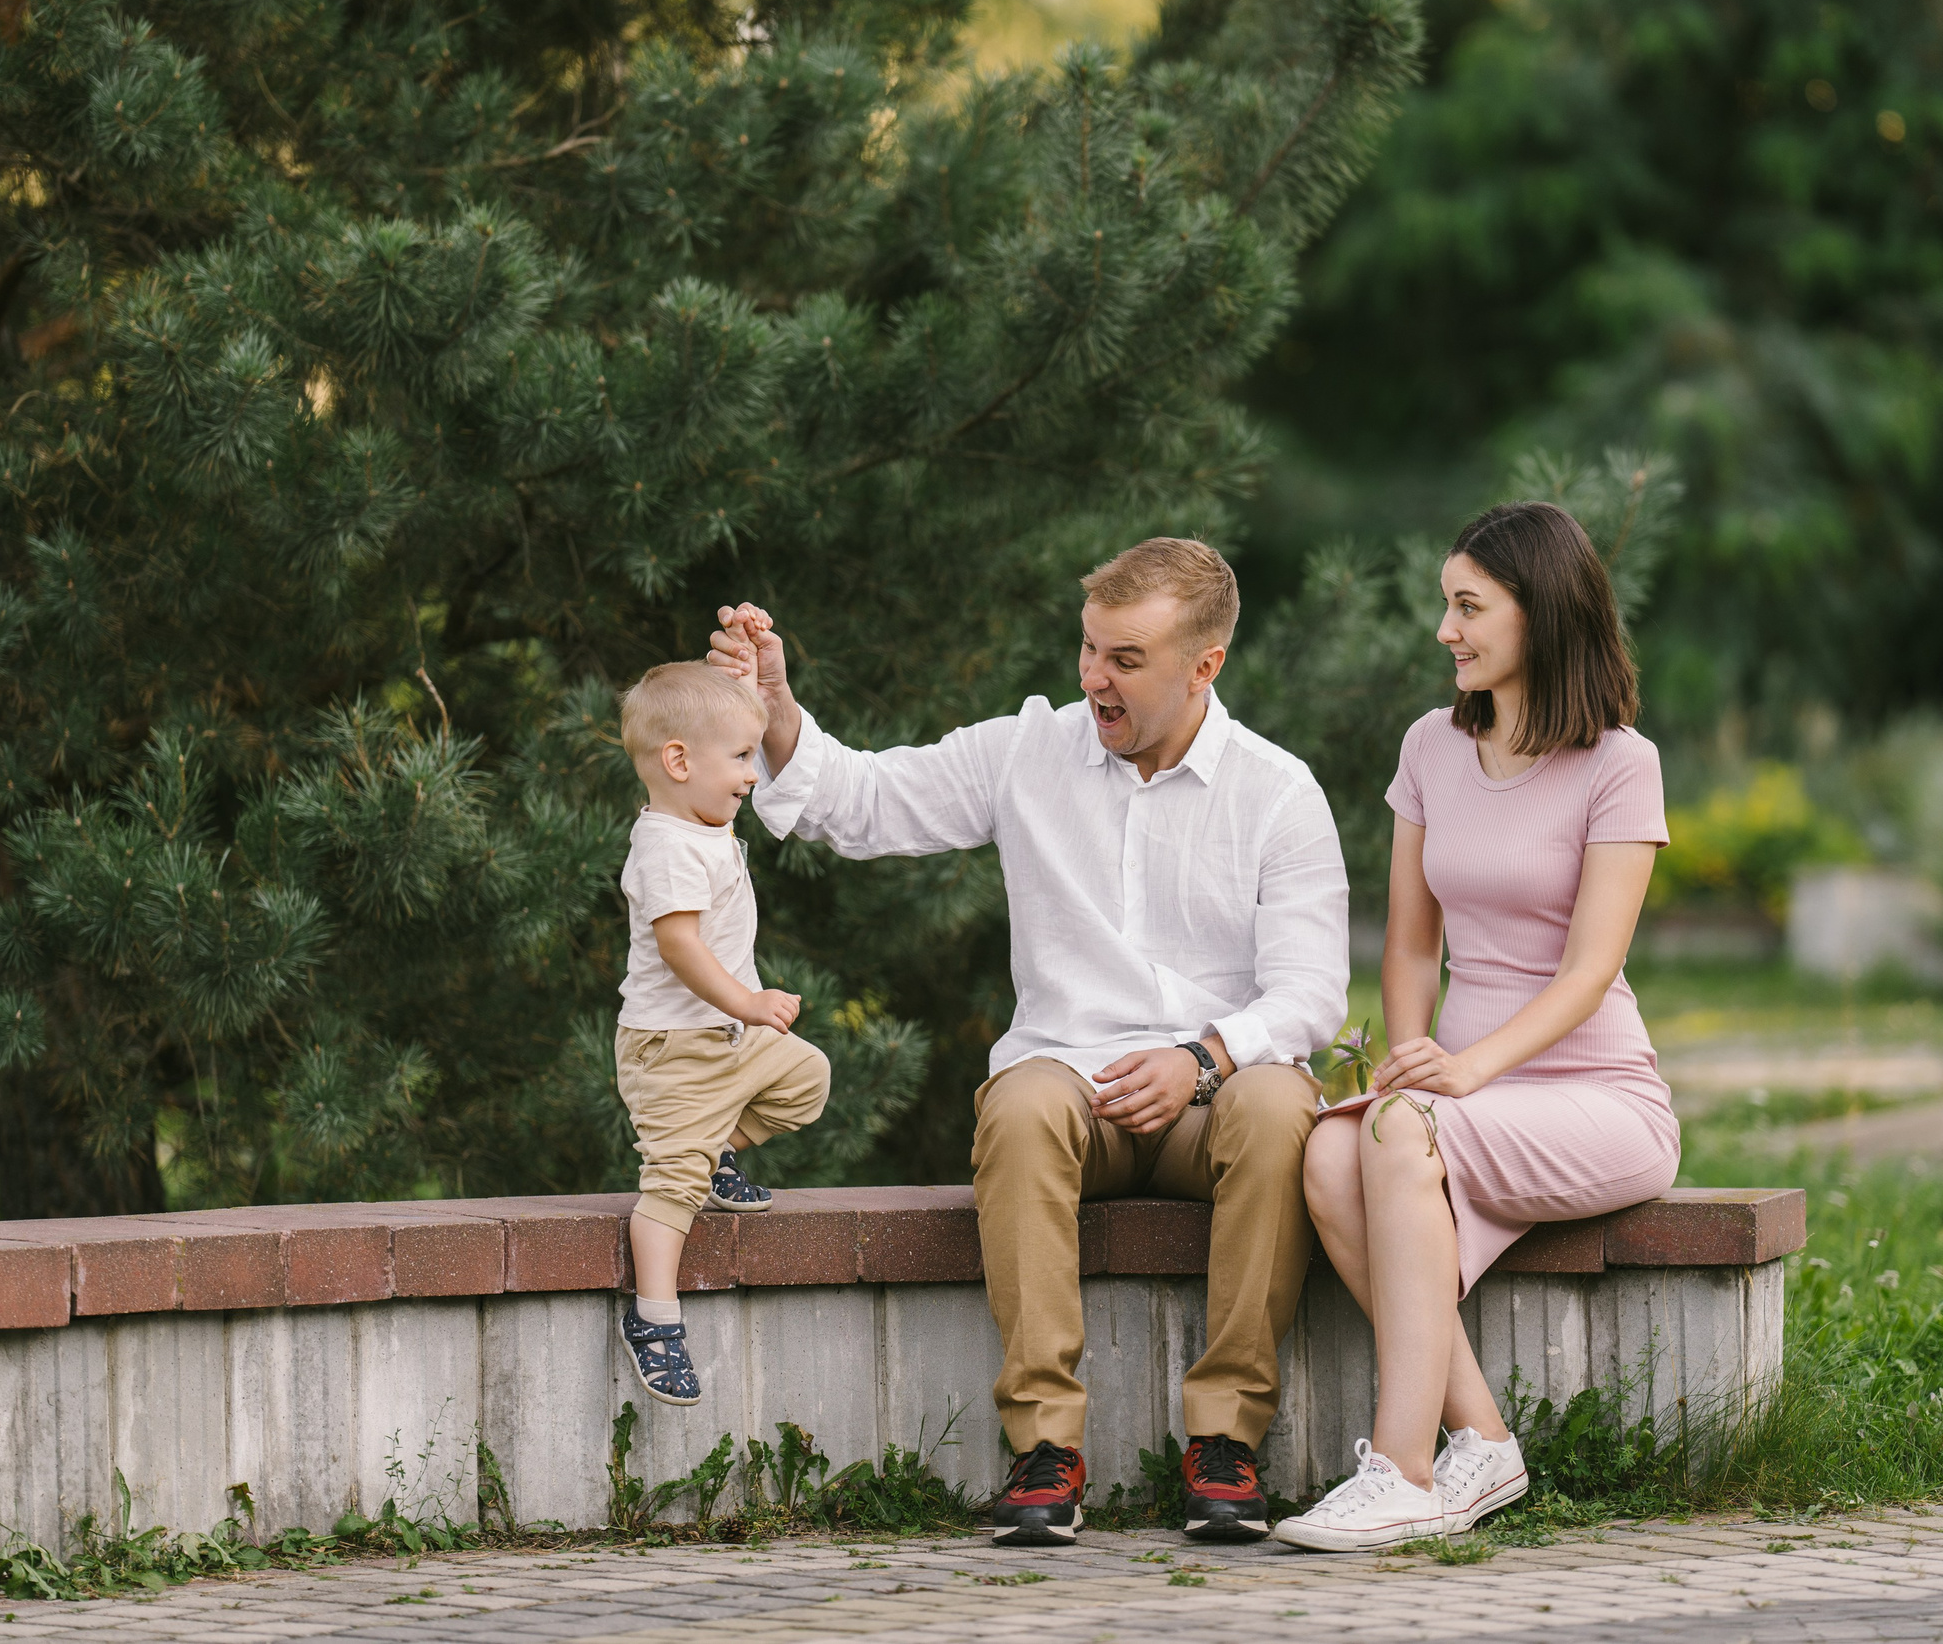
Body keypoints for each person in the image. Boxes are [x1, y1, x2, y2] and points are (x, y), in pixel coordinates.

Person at [708, 538, 1348, 1547]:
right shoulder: (1026, 751)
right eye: (1089, 650)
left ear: (1204, 666)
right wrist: (778, 713)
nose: (1094, 678)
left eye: (1125, 659)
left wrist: (1203, 1060)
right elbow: (865, 802)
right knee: (1016, 1101)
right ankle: (1045, 1452)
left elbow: (1312, 992)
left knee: (1280, 1105)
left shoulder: (1276, 791)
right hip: (1069, 1094)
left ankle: (1224, 1443)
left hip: (1211, 1100)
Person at [1271, 501, 1679, 1553]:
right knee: (1328, 1150)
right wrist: (1413, 1065)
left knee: (1392, 1129)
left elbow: (1590, 972)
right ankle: (1482, 1440)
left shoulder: (1620, 763)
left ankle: (1402, 1469)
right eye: (1443, 605)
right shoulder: (1430, 748)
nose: (1443, 630)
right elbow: (1409, 947)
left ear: (1539, 615)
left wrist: (1460, 1073)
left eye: (1467, 606)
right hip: (1465, 1089)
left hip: (1597, 1098)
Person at [611, 661, 832, 1408]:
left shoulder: (703, 823)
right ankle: (655, 1318)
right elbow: (680, 946)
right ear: (678, 762)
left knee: (806, 1078)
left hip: (727, 1038)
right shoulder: (666, 845)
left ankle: (718, 1153)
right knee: (668, 1188)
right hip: (674, 1050)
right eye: (740, 758)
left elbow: (711, 715)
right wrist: (747, 999)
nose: (750, 773)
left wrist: (740, 676)